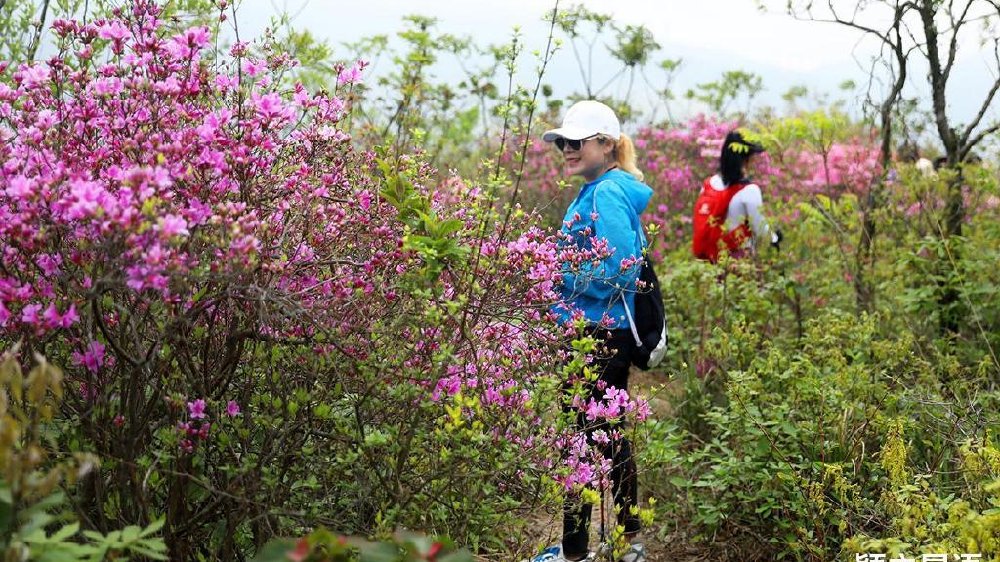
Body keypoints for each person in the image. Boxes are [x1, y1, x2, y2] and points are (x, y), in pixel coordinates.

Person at [530, 100, 651, 562]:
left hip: (597, 333)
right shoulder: (605, 188)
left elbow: (619, 270)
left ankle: (581, 550)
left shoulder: (605, 193)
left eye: (577, 141)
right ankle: (621, 543)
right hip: (597, 329)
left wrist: (558, 277)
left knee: (584, 441)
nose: (567, 149)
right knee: (602, 436)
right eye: (564, 141)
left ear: (606, 144)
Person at [692, 129, 781, 263]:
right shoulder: (750, 190)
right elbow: (759, 227)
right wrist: (775, 239)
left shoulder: (708, 184)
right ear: (746, 159)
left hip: (710, 259)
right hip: (737, 258)